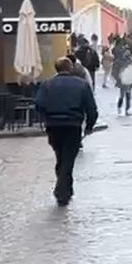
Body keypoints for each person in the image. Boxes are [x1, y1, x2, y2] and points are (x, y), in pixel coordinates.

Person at [34, 58, 99, 206]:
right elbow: (91, 108)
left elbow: (38, 104)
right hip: (73, 124)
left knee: (61, 156)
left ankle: (65, 189)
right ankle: (62, 191)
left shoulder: (47, 84)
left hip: (53, 126)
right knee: (68, 159)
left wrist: (47, 117)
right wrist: (89, 126)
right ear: (70, 68)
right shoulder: (81, 85)